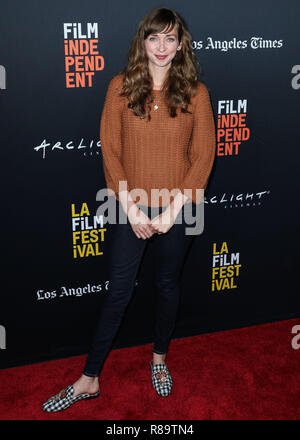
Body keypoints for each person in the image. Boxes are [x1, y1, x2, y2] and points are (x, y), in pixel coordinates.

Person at [42, 7, 216, 412]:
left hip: (180, 208)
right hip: (128, 205)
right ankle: (89, 378)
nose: (161, 47)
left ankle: (158, 359)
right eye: (154, 38)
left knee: (167, 285)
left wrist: (173, 210)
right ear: (143, 41)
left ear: (180, 45)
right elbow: (112, 152)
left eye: (170, 39)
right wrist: (132, 209)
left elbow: (203, 156)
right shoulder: (119, 87)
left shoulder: (197, 93)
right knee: (118, 292)